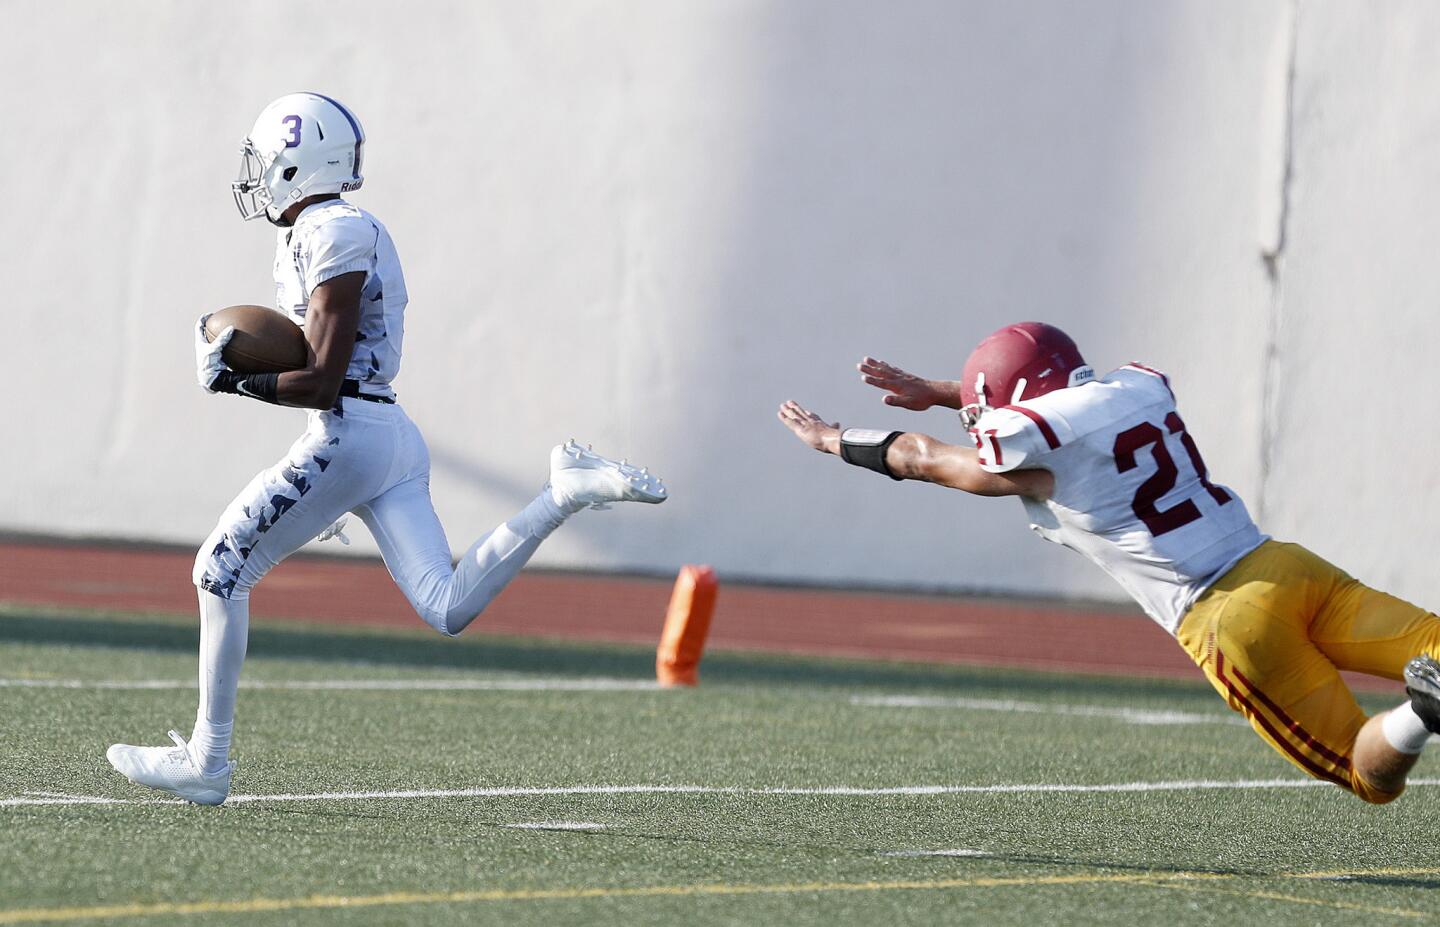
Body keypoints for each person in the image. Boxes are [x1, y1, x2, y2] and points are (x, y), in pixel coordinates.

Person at [106, 93, 667, 805]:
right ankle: (563, 491)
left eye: (267, 162)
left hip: (351, 434)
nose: (256, 177)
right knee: (445, 605)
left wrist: (236, 378)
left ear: (296, 164)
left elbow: (319, 380)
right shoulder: (318, 230)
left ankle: (208, 762)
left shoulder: (336, 231)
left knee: (220, 570)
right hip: (385, 434)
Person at [778, 321, 1440, 803]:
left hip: (1227, 620)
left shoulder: (1033, 456)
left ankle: (1420, 713)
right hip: (1285, 564)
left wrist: (833, 439)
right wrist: (951, 392)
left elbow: (923, 458)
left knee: (1366, 769)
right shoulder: (1134, 389)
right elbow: (1059, 405)